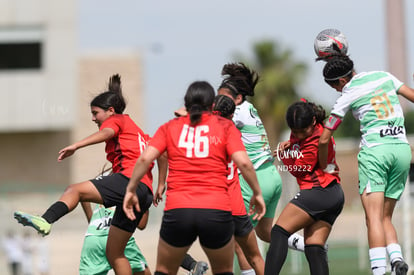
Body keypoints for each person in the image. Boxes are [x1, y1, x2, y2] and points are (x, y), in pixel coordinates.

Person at [14, 74, 155, 275]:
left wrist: (76, 145)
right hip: (144, 191)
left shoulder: (116, 120)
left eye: (95, 113)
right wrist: (160, 186)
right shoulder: (140, 133)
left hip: (129, 182)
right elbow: (163, 153)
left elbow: (106, 133)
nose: (93, 118)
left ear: (111, 111)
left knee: (74, 190)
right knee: (115, 253)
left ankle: (46, 219)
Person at [123, 80, 266, 275]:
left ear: (186, 102)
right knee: (224, 269)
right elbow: (245, 163)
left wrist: (131, 189)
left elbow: (144, 160)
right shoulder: (225, 127)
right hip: (216, 210)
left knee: (164, 269)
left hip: (179, 210)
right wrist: (257, 193)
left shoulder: (169, 127)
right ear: (211, 104)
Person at [317, 53, 414, 275]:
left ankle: (379, 271)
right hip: (401, 150)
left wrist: (325, 164)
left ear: (341, 81)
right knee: (383, 217)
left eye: (334, 87)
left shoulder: (347, 94)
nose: (336, 91)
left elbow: (324, 138)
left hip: (375, 153)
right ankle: (397, 260)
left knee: (372, 218)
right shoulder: (384, 76)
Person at [217, 62, 305, 273]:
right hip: (271, 177)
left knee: (239, 242)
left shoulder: (235, 114)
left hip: (253, 180)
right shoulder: (249, 108)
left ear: (237, 98)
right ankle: (310, 245)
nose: (218, 103)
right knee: (266, 233)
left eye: (222, 98)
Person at [166, 95, 265, 274]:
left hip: (211, 207)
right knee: (255, 256)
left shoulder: (201, 133)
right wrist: (257, 193)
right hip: (234, 207)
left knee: (221, 264)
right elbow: (244, 163)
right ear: (232, 115)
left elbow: (179, 113)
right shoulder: (231, 131)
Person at [265, 100, 344, 275]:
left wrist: (283, 153)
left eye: (303, 131)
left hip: (318, 191)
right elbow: (302, 103)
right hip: (334, 194)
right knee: (314, 248)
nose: (299, 135)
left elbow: (299, 170)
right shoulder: (309, 116)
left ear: (314, 122)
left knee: (279, 232)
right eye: (295, 131)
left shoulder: (315, 141)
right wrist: (291, 141)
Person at [80, 201, 151, 275]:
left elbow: (81, 192)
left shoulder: (103, 190)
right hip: (118, 236)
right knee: (142, 271)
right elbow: (141, 225)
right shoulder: (133, 191)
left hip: (94, 235)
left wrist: (90, 219)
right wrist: (146, 202)